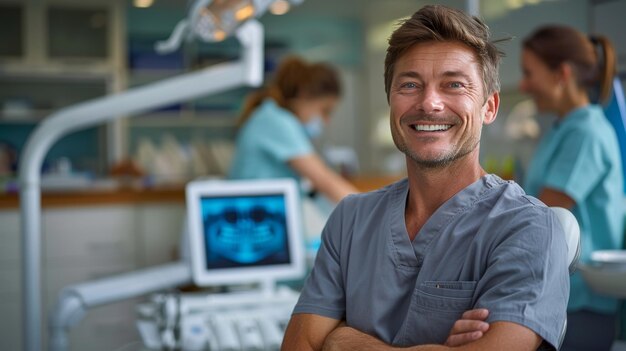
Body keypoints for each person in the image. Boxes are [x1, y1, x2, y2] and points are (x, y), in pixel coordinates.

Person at [281, 5, 570, 351]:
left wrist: (342, 340)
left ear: (489, 108)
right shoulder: (350, 220)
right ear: (391, 100)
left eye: (454, 85)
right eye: (409, 85)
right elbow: (299, 345)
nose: (429, 102)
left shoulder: (526, 227)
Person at [520, 25, 624, 351]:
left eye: (529, 73)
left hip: (581, 304)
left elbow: (542, 215)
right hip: (556, 296)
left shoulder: (587, 134)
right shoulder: (560, 129)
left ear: (561, 74)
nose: (523, 84)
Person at [228, 56, 358, 203]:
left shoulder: (268, 115)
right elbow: (327, 182)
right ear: (304, 95)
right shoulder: (276, 121)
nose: (326, 121)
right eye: (325, 110)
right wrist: (374, 214)